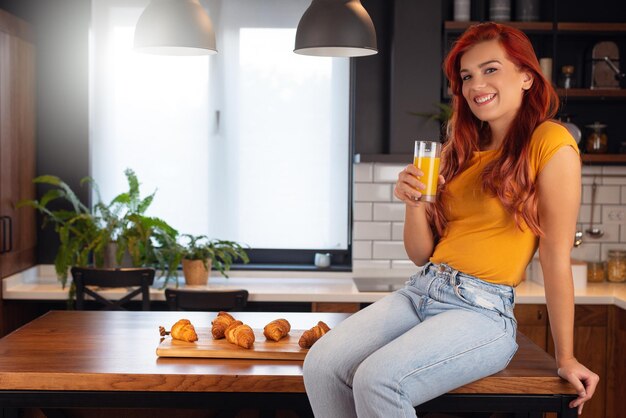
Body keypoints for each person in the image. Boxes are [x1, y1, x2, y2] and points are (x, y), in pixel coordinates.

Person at [303, 22, 599, 418]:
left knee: (378, 380)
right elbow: (421, 253)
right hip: (420, 291)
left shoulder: (550, 142)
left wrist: (567, 356)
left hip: (481, 311)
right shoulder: (457, 152)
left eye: (491, 69)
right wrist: (412, 203)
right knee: (322, 365)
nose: (476, 84)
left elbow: (555, 257)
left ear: (527, 76)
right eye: (466, 76)